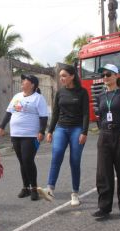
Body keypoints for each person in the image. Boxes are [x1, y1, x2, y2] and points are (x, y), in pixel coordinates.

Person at [39, 65, 89, 206]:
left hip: (77, 129)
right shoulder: (60, 93)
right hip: (61, 128)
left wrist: (84, 132)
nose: (61, 78)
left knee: (74, 160)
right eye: (60, 76)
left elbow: (86, 113)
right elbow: (55, 113)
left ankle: (75, 193)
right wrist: (50, 131)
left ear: (72, 76)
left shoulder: (82, 92)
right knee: (57, 155)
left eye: (64, 76)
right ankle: (50, 189)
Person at [92, 64, 120, 219]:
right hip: (104, 135)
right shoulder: (101, 96)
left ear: (116, 75)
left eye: (108, 74)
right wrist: (102, 131)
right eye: (103, 75)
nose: (105, 77)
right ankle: (104, 208)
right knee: (103, 173)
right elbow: (100, 116)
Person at [0, 74, 48, 201]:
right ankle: (26, 188)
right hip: (16, 134)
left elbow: (43, 116)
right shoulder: (17, 96)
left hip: (30, 135)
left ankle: (34, 188)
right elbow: (9, 112)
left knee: (28, 160)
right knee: (22, 161)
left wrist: (41, 131)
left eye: (25, 80)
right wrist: (2, 126)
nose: (23, 81)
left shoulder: (38, 98)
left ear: (32, 85)